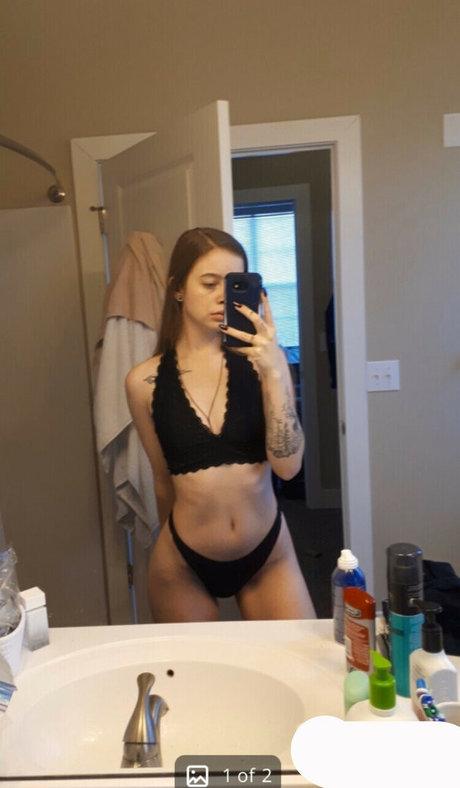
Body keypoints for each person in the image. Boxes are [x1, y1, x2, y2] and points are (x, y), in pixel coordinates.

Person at [125, 227, 316, 622]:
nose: (221, 297)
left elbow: (288, 467)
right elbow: (162, 480)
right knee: (196, 665)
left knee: (298, 657)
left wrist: (275, 373)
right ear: (178, 288)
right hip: (182, 564)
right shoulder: (143, 382)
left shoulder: (266, 362)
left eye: (231, 285)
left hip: (268, 555)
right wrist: (179, 544)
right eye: (209, 283)